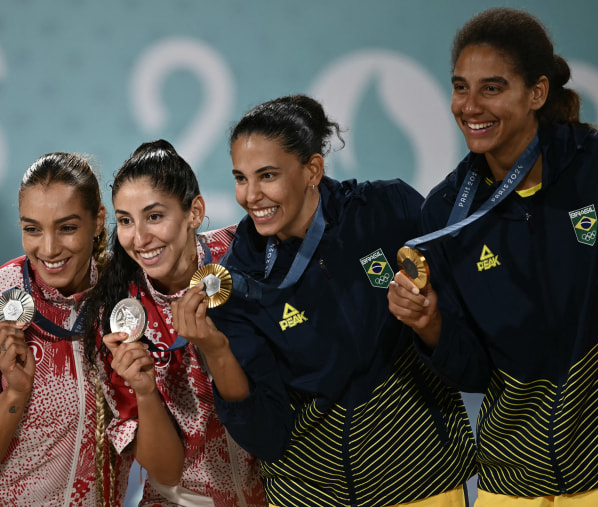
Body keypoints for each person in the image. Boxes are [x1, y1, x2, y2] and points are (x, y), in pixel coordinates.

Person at [172, 94, 477, 507]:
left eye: (267, 175)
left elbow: (468, 352)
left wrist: (429, 323)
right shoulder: (238, 281)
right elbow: (267, 435)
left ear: (311, 170)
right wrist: (217, 351)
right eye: (241, 178)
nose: (251, 195)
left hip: (423, 483)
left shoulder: (387, 211)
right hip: (310, 495)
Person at [387, 7, 598, 506]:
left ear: (537, 93)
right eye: (460, 87)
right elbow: (475, 372)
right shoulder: (447, 210)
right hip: (510, 484)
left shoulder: (597, 169)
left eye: (491, 88)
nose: (469, 105)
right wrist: (430, 325)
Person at [0, 152, 131, 506]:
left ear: (98, 220)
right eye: (32, 229)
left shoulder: (125, 299)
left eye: (67, 227)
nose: (49, 249)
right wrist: (15, 394)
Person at [85, 139, 266, 506]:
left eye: (154, 216)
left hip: (281, 494)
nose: (139, 239)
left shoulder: (246, 253)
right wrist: (146, 392)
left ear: (194, 212)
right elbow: (165, 471)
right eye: (125, 221)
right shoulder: (116, 315)